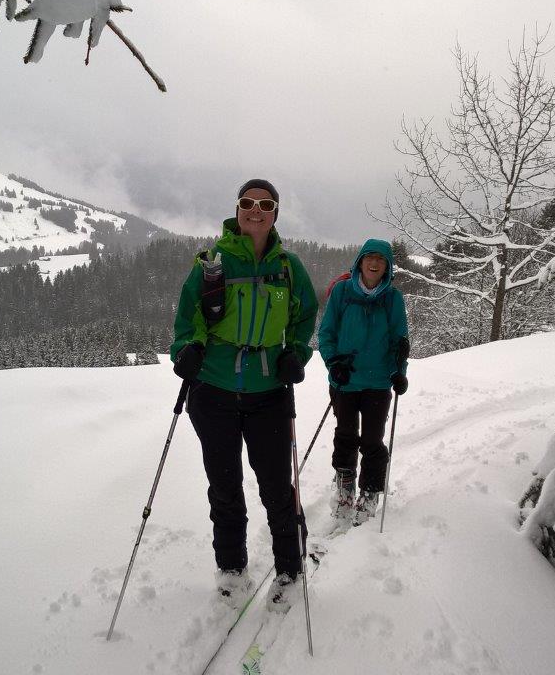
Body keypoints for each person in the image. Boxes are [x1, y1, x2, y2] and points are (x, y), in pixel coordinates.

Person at [170, 178, 319, 612]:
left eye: (266, 204)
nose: (256, 210)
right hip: (212, 391)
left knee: (276, 486)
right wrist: (189, 348)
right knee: (225, 486)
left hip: (269, 392)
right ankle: (232, 570)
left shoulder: (288, 268)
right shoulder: (211, 263)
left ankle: (290, 570)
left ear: (275, 213)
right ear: (237, 210)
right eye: (248, 203)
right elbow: (187, 316)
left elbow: (304, 317)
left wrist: (296, 354)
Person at [317, 238, 409, 526]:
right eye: (369, 257)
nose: (374, 263)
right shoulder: (343, 292)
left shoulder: (392, 298)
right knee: (345, 434)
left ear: (388, 266)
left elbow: (399, 340)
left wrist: (399, 371)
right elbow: (327, 333)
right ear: (359, 261)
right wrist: (333, 363)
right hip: (345, 379)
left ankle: (370, 492)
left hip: (379, 382)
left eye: (380, 259)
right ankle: (345, 486)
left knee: (372, 439)